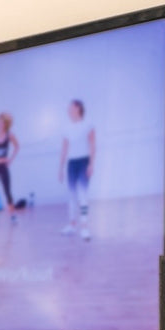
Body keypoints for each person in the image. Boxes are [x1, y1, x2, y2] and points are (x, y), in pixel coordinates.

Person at [58, 99, 96, 240]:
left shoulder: (88, 125)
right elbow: (64, 149)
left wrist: (91, 164)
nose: (68, 109)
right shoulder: (66, 128)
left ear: (78, 108)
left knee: (83, 195)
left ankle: (84, 227)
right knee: (72, 195)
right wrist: (61, 168)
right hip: (71, 164)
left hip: (84, 162)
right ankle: (72, 225)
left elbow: (93, 145)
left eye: (71, 107)